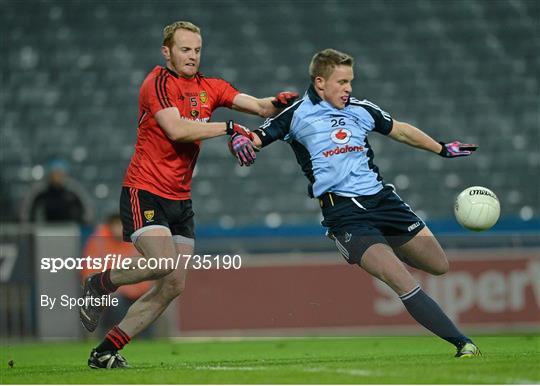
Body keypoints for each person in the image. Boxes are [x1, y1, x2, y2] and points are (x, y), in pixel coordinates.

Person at [233, 48, 481, 358]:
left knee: (439, 265)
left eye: (351, 81)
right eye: (342, 82)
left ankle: (385, 249)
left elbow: (400, 130)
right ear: (320, 82)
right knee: (400, 279)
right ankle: (463, 343)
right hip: (345, 213)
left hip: (383, 201)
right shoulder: (296, 114)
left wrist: (441, 148)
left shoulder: (361, 109)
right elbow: (254, 137)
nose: (349, 88)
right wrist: (239, 140)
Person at [79, 20, 298, 369]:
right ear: (167, 51)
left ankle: (106, 350)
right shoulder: (157, 82)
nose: (192, 56)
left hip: (180, 199)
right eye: (184, 49)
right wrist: (228, 127)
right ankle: (100, 283)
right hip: (144, 190)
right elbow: (177, 129)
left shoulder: (210, 86)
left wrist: (280, 101)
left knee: (172, 285)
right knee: (162, 263)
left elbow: (258, 107)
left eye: (196, 50)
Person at [81, 214, 153, 337]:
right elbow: (89, 271)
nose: (119, 228)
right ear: (109, 226)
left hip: (139, 292)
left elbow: (148, 271)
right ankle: (113, 339)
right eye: (116, 224)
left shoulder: (138, 240)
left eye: (122, 224)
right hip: (112, 294)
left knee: (150, 304)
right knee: (116, 303)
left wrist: (133, 289)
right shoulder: (98, 241)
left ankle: (144, 341)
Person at [20, 158, 93, 225]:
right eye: (55, 173)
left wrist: (84, 222)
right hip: (45, 230)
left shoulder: (73, 189)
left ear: (65, 174)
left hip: (69, 229)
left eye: (60, 173)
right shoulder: (40, 189)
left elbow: (86, 207)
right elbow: (27, 208)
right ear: (50, 174)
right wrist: (28, 224)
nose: (57, 176)